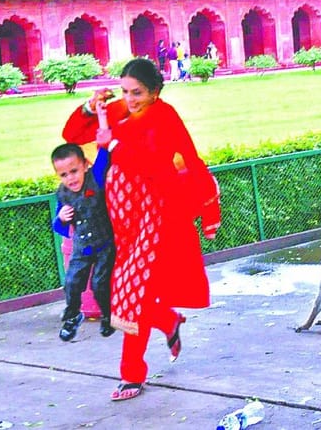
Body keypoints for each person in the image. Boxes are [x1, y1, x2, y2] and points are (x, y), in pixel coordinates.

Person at [62, 58, 221, 401]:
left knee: (131, 292)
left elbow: (154, 162)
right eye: (125, 91)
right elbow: (72, 136)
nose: (130, 99)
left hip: (153, 216)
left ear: (155, 92)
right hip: (119, 221)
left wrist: (112, 144)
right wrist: (90, 107)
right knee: (127, 291)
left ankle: (132, 374)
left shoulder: (164, 116)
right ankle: (166, 322)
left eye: (137, 93)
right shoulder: (119, 111)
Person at [51, 143, 116, 342]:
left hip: (105, 244)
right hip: (82, 247)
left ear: (85, 165)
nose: (70, 178)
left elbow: (104, 158)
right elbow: (59, 226)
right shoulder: (63, 194)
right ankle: (72, 316)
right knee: (72, 282)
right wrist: (61, 218)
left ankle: (108, 316)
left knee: (99, 284)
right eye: (64, 175)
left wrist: (104, 137)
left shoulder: (95, 179)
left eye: (74, 171)